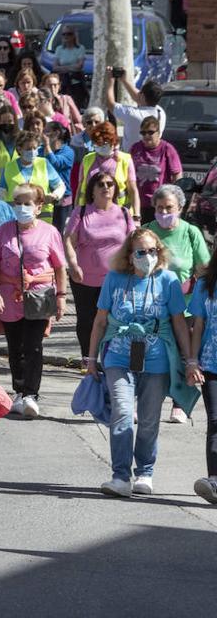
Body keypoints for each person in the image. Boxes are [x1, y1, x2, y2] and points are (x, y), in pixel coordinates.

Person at [85, 228, 192, 498]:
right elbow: (99, 320)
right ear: (130, 256)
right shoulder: (115, 279)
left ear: (160, 252)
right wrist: (91, 358)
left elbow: (179, 323)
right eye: (141, 252)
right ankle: (120, 476)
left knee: (148, 420)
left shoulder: (168, 281)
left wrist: (190, 360)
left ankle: (145, 471)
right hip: (118, 356)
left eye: (152, 251)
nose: (148, 256)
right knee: (121, 412)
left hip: (157, 360)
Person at [0, 183, 67, 418]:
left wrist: (61, 297)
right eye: (17, 203)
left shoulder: (50, 232)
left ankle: (31, 394)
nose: (21, 208)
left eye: (27, 203)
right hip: (9, 296)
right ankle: (19, 391)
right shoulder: (4, 231)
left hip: (39, 296)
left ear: (38, 207)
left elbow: (60, 268)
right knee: (15, 347)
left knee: (33, 346)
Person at [143, 183, 209, 424]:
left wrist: (190, 286)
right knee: (152, 354)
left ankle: (180, 403)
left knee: (183, 354)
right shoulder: (147, 232)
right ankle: (148, 401)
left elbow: (204, 268)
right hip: (151, 306)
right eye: (159, 208)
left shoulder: (191, 232)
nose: (163, 212)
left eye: (168, 207)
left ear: (180, 208)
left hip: (185, 306)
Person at [64, 172, 137, 359]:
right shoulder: (81, 211)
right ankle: (87, 358)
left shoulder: (124, 213)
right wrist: (72, 264)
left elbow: (133, 244)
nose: (106, 187)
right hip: (84, 278)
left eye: (110, 184)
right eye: (101, 184)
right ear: (92, 190)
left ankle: (109, 357)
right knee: (87, 320)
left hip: (116, 279)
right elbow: (68, 242)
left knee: (112, 319)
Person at [185, 257, 217, 504]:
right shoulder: (206, 283)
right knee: (215, 421)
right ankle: (214, 480)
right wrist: (192, 361)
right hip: (211, 363)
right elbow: (198, 323)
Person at [75, 122, 140, 220]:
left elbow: (133, 190)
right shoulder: (87, 159)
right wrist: (76, 213)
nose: (101, 146)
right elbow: (80, 189)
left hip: (120, 215)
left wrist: (136, 216)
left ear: (113, 142)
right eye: (97, 144)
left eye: (104, 144)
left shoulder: (125, 159)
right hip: (90, 214)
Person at [129, 117, 181, 213]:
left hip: (160, 205)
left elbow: (177, 174)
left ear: (158, 133)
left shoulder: (167, 149)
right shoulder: (135, 148)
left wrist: (174, 198)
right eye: (143, 133)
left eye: (150, 132)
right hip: (138, 203)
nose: (146, 136)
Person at [104, 71, 165, 152]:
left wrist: (110, 82)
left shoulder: (132, 114)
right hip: (152, 156)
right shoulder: (160, 112)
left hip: (132, 159)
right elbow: (139, 98)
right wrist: (124, 81)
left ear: (142, 96)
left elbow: (110, 103)